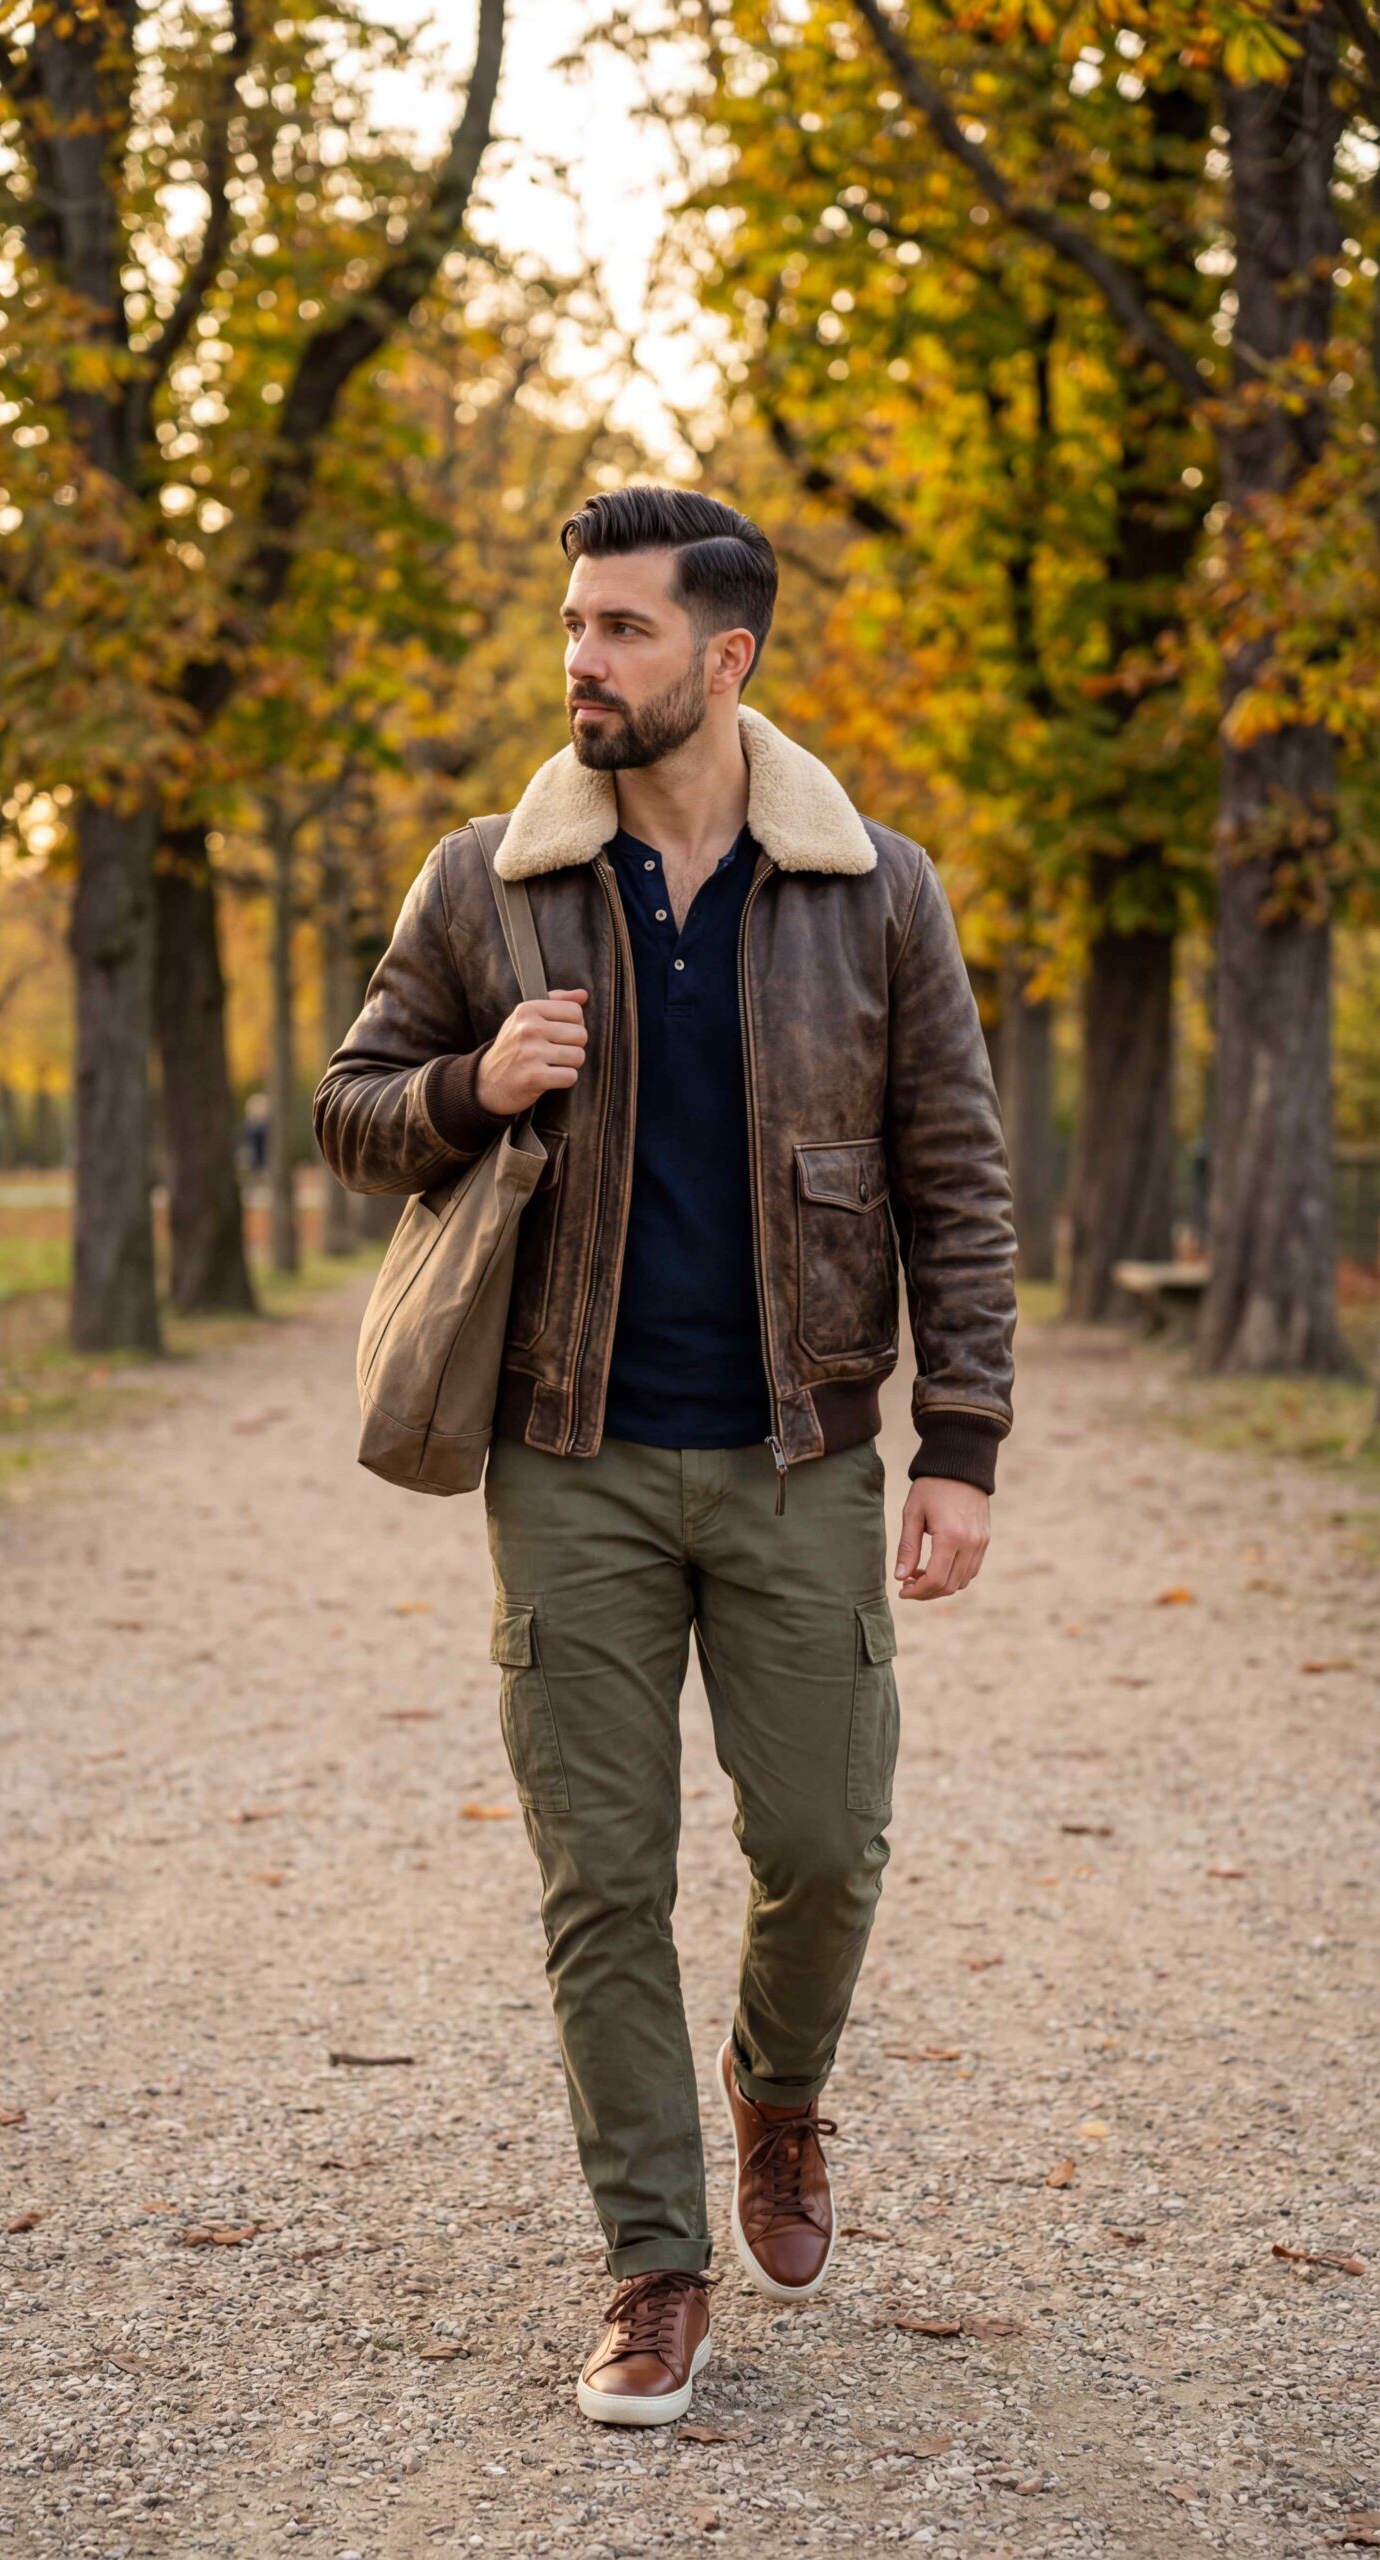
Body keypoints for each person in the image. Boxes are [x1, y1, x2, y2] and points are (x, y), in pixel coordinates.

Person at [313, 485, 1016, 2427]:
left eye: (620, 628)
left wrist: (959, 1441)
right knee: (599, 1877)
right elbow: (350, 1107)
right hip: (570, 1462)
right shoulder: (491, 880)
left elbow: (955, 1177)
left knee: (821, 1840)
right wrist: (472, 1082)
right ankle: (652, 2258)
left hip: (800, 1457)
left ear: (728, 656)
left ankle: (774, 2092)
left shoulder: (876, 886)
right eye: (568, 622)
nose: (578, 660)